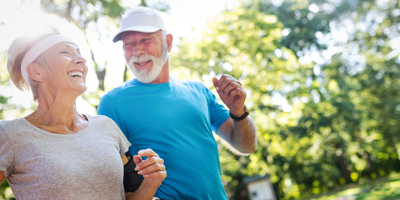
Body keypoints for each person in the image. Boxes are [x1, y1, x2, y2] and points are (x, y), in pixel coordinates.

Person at [97, 6, 257, 200]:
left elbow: (246, 146)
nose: (136, 51)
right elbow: (109, 181)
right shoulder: (112, 103)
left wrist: (239, 111)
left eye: (145, 40)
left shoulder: (199, 92)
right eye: (128, 44)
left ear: (168, 42)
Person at [0, 25, 166, 200]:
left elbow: (130, 196)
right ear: (36, 71)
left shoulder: (106, 126)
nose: (81, 60)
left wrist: (149, 184)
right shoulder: (10, 135)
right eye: (65, 52)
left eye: (79, 53)